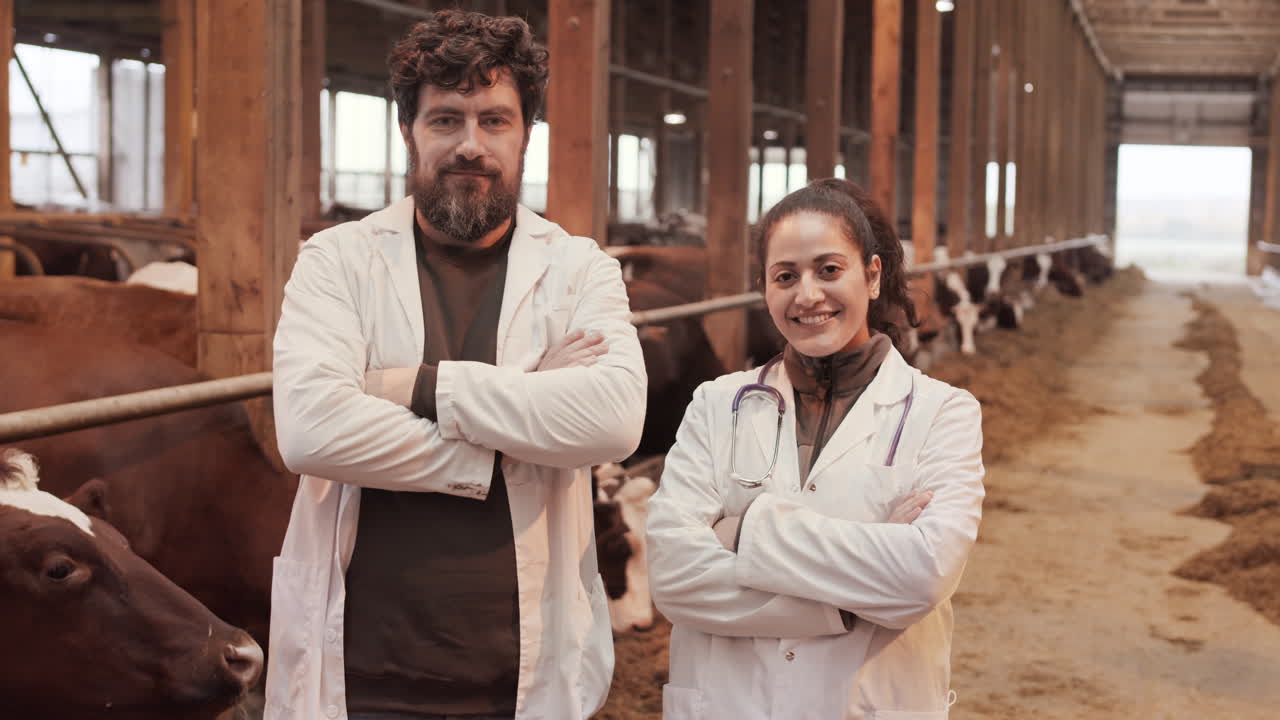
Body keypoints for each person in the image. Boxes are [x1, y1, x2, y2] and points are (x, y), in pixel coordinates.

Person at [266, 10, 647, 720]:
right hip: (363, 675)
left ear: (526, 133)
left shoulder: (577, 269)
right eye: (446, 120)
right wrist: (519, 425)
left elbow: (614, 421)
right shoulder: (337, 261)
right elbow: (311, 431)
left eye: (494, 120)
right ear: (408, 132)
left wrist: (413, 387)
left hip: (523, 674)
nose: (471, 144)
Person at [646, 178, 985, 719]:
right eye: (786, 276)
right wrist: (855, 594)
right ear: (765, 288)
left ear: (872, 276)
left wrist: (743, 529)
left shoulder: (942, 413)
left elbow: (923, 575)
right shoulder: (716, 404)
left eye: (829, 270)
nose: (807, 295)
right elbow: (672, 577)